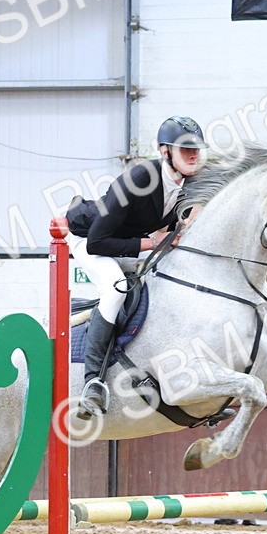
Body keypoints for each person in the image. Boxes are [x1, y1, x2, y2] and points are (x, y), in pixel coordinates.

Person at [65, 116, 208, 419]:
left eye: (197, 149)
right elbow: (97, 243)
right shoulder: (141, 177)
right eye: (185, 149)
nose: (194, 155)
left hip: (127, 241)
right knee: (116, 289)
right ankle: (93, 382)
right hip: (87, 239)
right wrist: (150, 241)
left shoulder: (189, 184)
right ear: (165, 151)